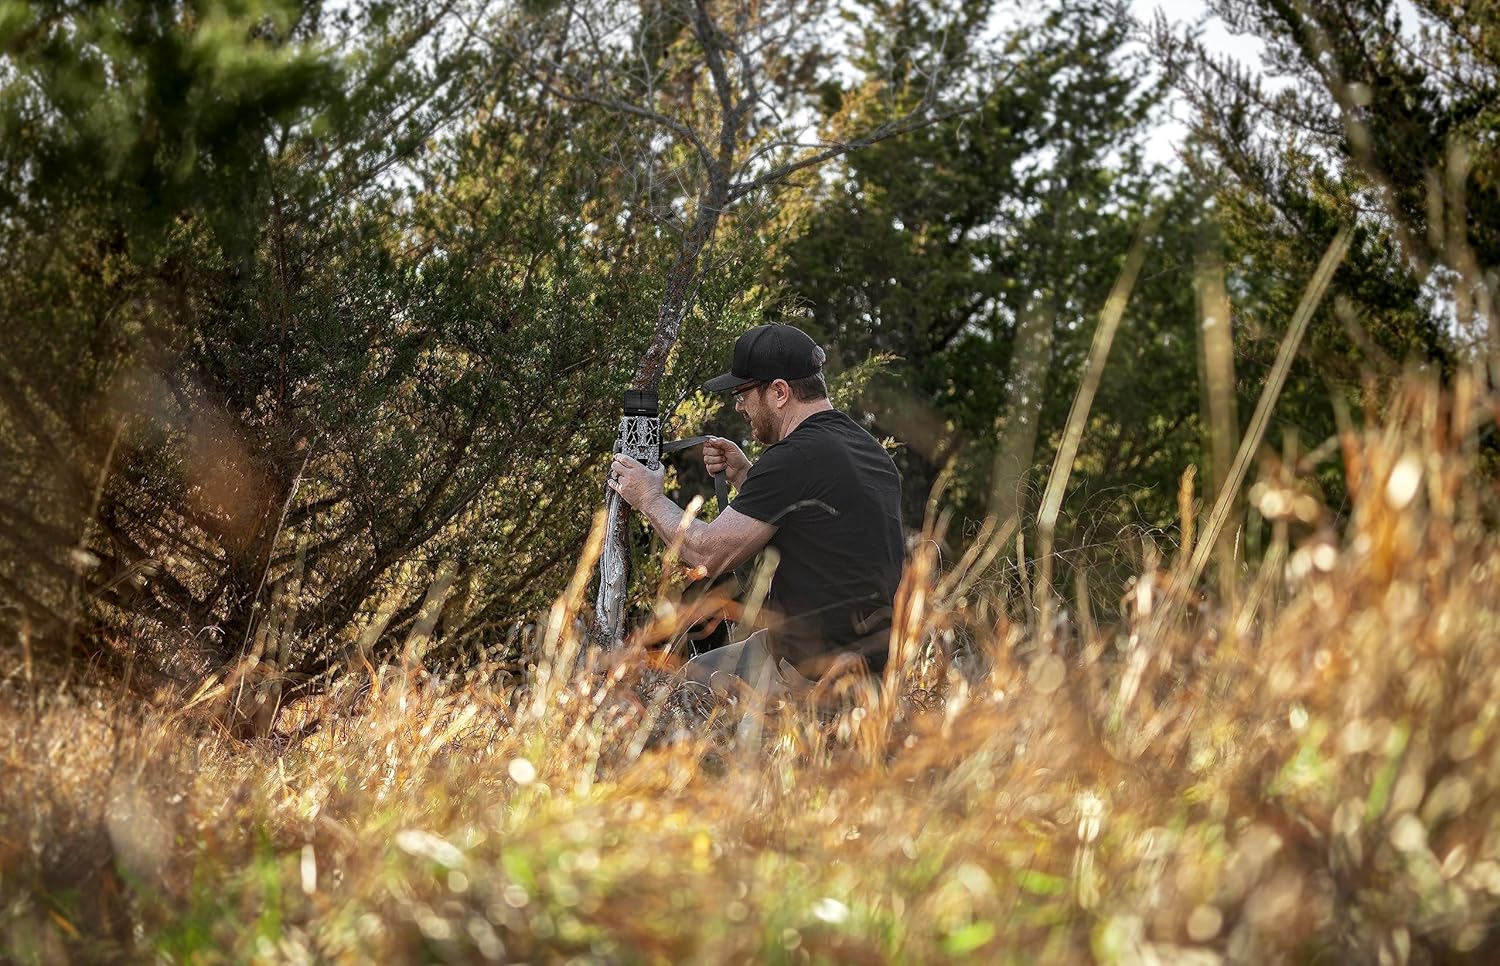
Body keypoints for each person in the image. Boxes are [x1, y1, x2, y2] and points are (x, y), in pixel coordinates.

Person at [607, 323, 904, 698]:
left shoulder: (794, 458)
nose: (739, 406)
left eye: (743, 394)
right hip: (872, 670)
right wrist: (746, 477)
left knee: (664, 694)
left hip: (809, 674)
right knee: (688, 676)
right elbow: (813, 530)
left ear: (779, 392)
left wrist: (648, 496)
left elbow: (707, 553)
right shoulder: (865, 450)